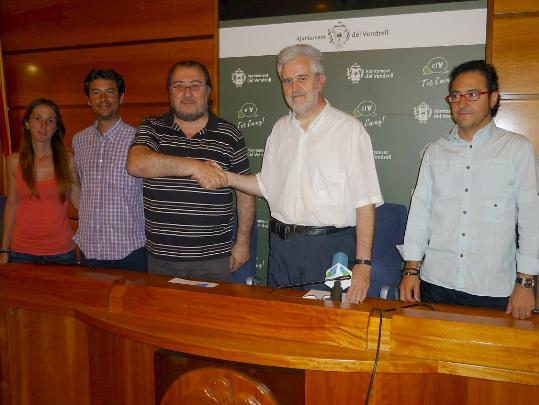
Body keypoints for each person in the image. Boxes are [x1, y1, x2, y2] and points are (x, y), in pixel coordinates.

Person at [208, 44, 383, 304]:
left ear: (320, 81)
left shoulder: (349, 130)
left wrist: (363, 264)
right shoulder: (279, 130)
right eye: (287, 81)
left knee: (327, 329)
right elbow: (265, 185)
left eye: (302, 78)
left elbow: (365, 202)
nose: (293, 87)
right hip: (281, 249)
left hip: (330, 250)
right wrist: (226, 177)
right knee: (282, 324)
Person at [398, 60, 539, 320]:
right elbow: (420, 214)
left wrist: (526, 282)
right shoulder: (436, 151)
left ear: (493, 98)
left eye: (473, 94)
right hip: (436, 283)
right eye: (455, 95)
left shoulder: (517, 149)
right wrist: (410, 270)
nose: (462, 102)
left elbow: (531, 219)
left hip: (492, 288)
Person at [127, 60, 255, 281]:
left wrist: (242, 242)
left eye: (195, 85)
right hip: (161, 259)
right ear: (169, 91)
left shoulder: (230, 134)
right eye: (178, 86)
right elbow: (136, 164)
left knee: (210, 316)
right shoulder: (152, 127)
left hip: (213, 260)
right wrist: (195, 167)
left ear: (208, 90)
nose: (187, 93)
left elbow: (245, 193)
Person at [72, 69, 146, 272]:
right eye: (95, 92)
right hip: (90, 249)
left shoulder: (139, 140)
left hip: (130, 250)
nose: (103, 98)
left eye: (110, 92)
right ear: (88, 99)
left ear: (121, 97)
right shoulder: (79, 141)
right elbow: (80, 190)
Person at [0, 98, 80, 265]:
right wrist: (4, 249)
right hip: (20, 252)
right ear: (27, 124)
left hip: (61, 253)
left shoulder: (68, 160)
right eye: (38, 118)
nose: (44, 125)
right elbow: (11, 205)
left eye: (50, 120)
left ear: (56, 127)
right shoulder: (14, 161)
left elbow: (80, 203)